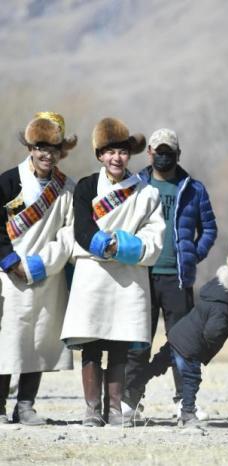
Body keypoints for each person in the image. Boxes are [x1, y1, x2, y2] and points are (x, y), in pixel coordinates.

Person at [60, 117, 165, 427]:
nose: (116, 158)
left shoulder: (146, 193)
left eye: (122, 151)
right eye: (109, 152)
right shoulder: (86, 186)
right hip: (92, 273)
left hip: (128, 276)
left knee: (121, 342)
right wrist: (103, 245)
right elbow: (81, 226)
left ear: (129, 155)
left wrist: (122, 246)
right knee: (91, 344)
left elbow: (154, 235)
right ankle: (92, 409)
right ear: (99, 155)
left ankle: (115, 409)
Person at [122, 128, 217, 421]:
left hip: (178, 278)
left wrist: (192, 254)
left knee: (183, 343)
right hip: (141, 275)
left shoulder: (193, 188)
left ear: (178, 154)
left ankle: (184, 401)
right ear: (149, 153)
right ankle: (131, 400)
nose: (163, 156)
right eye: (158, 151)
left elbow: (209, 229)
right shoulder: (135, 185)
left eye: (169, 152)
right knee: (138, 341)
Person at [127, 252, 228, 429]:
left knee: (155, 367)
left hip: (177, 337)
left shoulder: (216, 293)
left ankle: (127, 394)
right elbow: (213, 333)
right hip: (190, 347)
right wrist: (204, 350)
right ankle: (187, 414)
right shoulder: (224, 307)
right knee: (191, 378)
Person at [0, 112, 77, 425]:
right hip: (8, 276)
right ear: (30, 148)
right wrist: (11, 261)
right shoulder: (8, 181)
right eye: (41, 147)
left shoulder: (66, 188)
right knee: (8, 340)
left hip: (47, 275)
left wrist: (43, 263)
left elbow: (70, 234)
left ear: (62, 152)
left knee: (39, 340)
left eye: (54, 148)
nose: (47, 154)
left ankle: (25, 406)